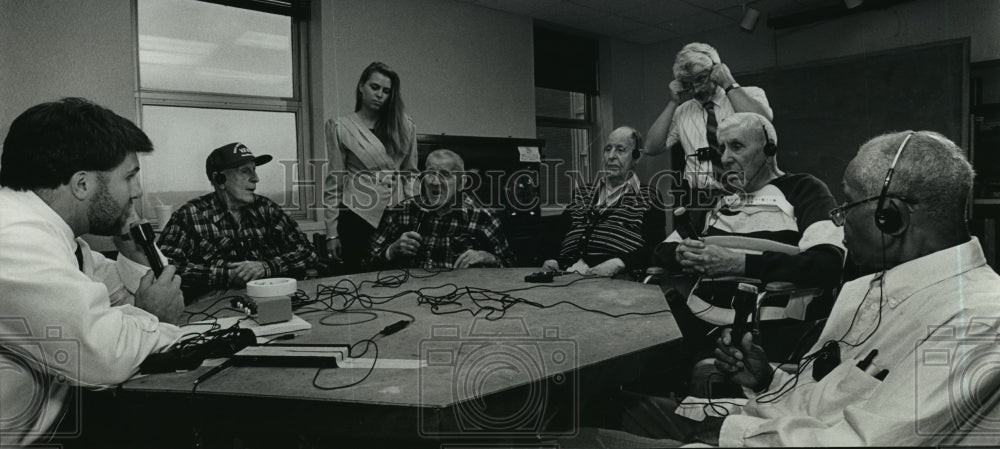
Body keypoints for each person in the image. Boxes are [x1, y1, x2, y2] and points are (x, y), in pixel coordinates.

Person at [581, 130, 1000, 447]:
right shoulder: (864, 289)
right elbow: (835, 386)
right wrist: (768, 377)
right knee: (599, 406)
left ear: (890, 216)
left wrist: (723, 433)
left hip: (763, 437)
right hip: (764, 417)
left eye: (848, 205)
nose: (838, 219)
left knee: (578, 440)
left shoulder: (977, 320)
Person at [0, 98, 184, 446]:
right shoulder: (14, 239)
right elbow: (106, 357)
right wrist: (153, 317)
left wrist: (135, 247)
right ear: (82, 184)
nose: (138, 191)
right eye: (129, 177)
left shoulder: (66, 243)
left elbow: (134, 293)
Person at [651, 113, 845, 362]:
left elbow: (828, 262)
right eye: (722, 148)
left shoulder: (804, 190)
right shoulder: (720, 198)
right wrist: (682, 253)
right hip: (696, 318)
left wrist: (740, 264)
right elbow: (661, 251)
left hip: (764, 327)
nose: (724, 158)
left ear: (769, 150)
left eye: (736, 146)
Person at [158, 142, 318, 298]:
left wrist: (265, 267)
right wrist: (227, 274)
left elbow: (308, 253)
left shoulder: (267, 209)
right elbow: (164, 267)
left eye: (254, 170)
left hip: (272, 297)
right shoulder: (189, 216)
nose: (256, 178)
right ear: (219, 179)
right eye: (245, 171)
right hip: (213, 304)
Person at [644, 42, 772, 213]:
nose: (696, 89)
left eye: (701, 79)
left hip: (745, 194)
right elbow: (651, 147)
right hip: (700, 201)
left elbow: (763, 124)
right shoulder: (683, 111)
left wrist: (729, 83)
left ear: (716, 70)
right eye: (688, 83)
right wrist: (673, 102)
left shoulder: (748, 94)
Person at [324, 61, 418, 272]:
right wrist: (331, 232)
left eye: (386, 91)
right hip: (357, 215)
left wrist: (414, 214)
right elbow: (334, 182)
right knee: (357, 277)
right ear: (361, 86)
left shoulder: (405, 126)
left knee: (398, 277)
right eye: (374, 87)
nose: (380, 95)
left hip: (396, 214)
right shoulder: (340, 127)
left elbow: (411, 174)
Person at [541, 126, 666, 277]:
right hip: (564, 276)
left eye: (620, 150)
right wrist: (550, 258)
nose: (611, 156)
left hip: (614, 282)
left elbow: (656, 249)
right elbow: (557, 235)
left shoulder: (649, 196)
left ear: (636, 157)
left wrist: (621, 262)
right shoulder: (583, 193)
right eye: (608, 149)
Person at [364, 149, 515, 270]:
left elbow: (510, 266)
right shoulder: (404, 210)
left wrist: (489, 258)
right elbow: (367, 261)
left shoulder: (483, 217)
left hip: (462, 299)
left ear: (461, 183)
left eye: (445, 175)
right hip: (409, 298)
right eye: (430, 174)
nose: (435, 182)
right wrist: (391, 251)